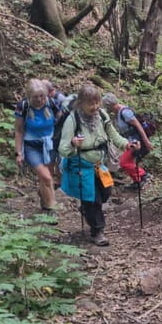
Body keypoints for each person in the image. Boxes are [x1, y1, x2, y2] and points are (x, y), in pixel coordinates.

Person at [59, 85, 140, 246]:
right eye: (91, 103)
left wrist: (127, 145)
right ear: (81, 103)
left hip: (99, 164)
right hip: (81, 165)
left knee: (105, 191)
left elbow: (113, 135)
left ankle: (87, 210)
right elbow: (63, 148)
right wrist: (73, 143)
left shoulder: (102, 115)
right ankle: (97, 231)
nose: (95, 107)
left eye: (97, 102)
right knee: (93, 198)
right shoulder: (72, 120)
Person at [14, 78, 61, 218]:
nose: (40, 99)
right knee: (46, 177)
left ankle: (44, 200)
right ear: (29, 96)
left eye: (42, 96)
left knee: (47, 177)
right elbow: (19, 130)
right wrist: (18, 152)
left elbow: (61, 121)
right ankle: (52, 209)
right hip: (31, 146)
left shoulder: (51, 103)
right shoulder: (23, 106)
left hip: (50, 144)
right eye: (36, 97)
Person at [101, 93, 153, 189]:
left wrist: (146, 141)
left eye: (107, 107)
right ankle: (137, 181)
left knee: (124, 162)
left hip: (136, 142)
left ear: (110, 105)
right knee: (128, 161)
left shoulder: (125, 113)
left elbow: (138, 126)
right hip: (129, 142)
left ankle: (143, 175)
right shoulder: (118, 113)